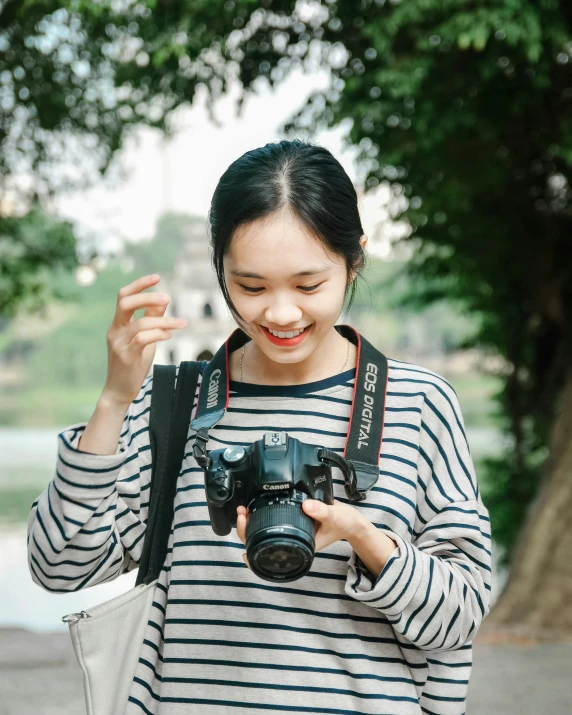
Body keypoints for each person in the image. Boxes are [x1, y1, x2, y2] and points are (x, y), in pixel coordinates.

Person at [27, 138, 492, 715]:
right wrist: (115, 399)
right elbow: (60, 566)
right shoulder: (178, 404)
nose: (280, 313)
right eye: (250, 287)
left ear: (355, 259)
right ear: (219, 267)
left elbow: (464, 611)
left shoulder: (417, 404)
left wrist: (362, 537)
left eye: (308, 285)